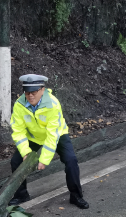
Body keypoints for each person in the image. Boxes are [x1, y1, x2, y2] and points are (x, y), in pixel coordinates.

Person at [8, 74, 89, 209]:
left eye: (33, 92)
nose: (30, 96)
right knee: (15, 161)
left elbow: (52, 135)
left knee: (71, 161)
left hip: (58, 134)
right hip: (34, 136)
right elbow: (18, 131)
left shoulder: (53, 104)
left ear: (42, 90)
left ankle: (76, 196)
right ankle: (21, 195)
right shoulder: (19, 104)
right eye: (27, 92)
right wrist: (26, 152)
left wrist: (44, 159)